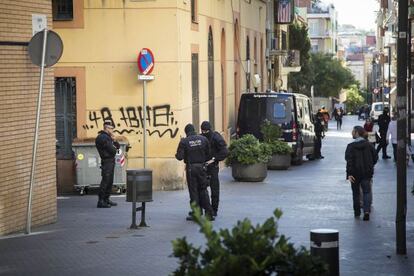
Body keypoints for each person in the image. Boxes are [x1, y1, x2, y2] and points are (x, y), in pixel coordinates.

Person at [175, 124, 215, 221]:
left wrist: (179, 153)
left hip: (191, 169)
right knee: (203, 190)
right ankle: (209, 213)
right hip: (202, 167)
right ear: (194, 130)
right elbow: (208, 154)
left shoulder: (184, 141)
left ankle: (196, 213)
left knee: (193, 192)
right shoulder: (203, 139)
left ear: (186, 132)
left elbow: (179, 157)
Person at [345, 126, 378, 221]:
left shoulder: (350, 146)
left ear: (356, 133)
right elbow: (375, 158)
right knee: (366, 192)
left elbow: (349, 161)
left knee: (356, 193)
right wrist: (370, 166)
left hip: (354, 173)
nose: (351, 133)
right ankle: (366, 211)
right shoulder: (369, 145)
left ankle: (357, 212)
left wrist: (349, 174)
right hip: (367, 173)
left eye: (353, 131)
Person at [200, 121, 228, 217]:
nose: (204, 133)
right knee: (202, 189)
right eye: (203, 131)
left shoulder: (216, 137)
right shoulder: (201, 137)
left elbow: (224, 151)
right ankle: (206, 209)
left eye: (206, 131)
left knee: (214, 189)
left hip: (213, 166)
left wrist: (214, 159)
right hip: (203, 167)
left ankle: (214, 210)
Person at [95, 121, 120, 208]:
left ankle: (106, 199)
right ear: (106, 128)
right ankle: (101, 201)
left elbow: (118, 147)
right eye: (111, 128)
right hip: (106, 161)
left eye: (113, 128)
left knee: (110, 181)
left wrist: (114, 141)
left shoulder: (109, 137)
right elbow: (113, 150)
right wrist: (113, 145)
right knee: (105, 182)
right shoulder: (102, 137)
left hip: (110, 161)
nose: (112, 130)